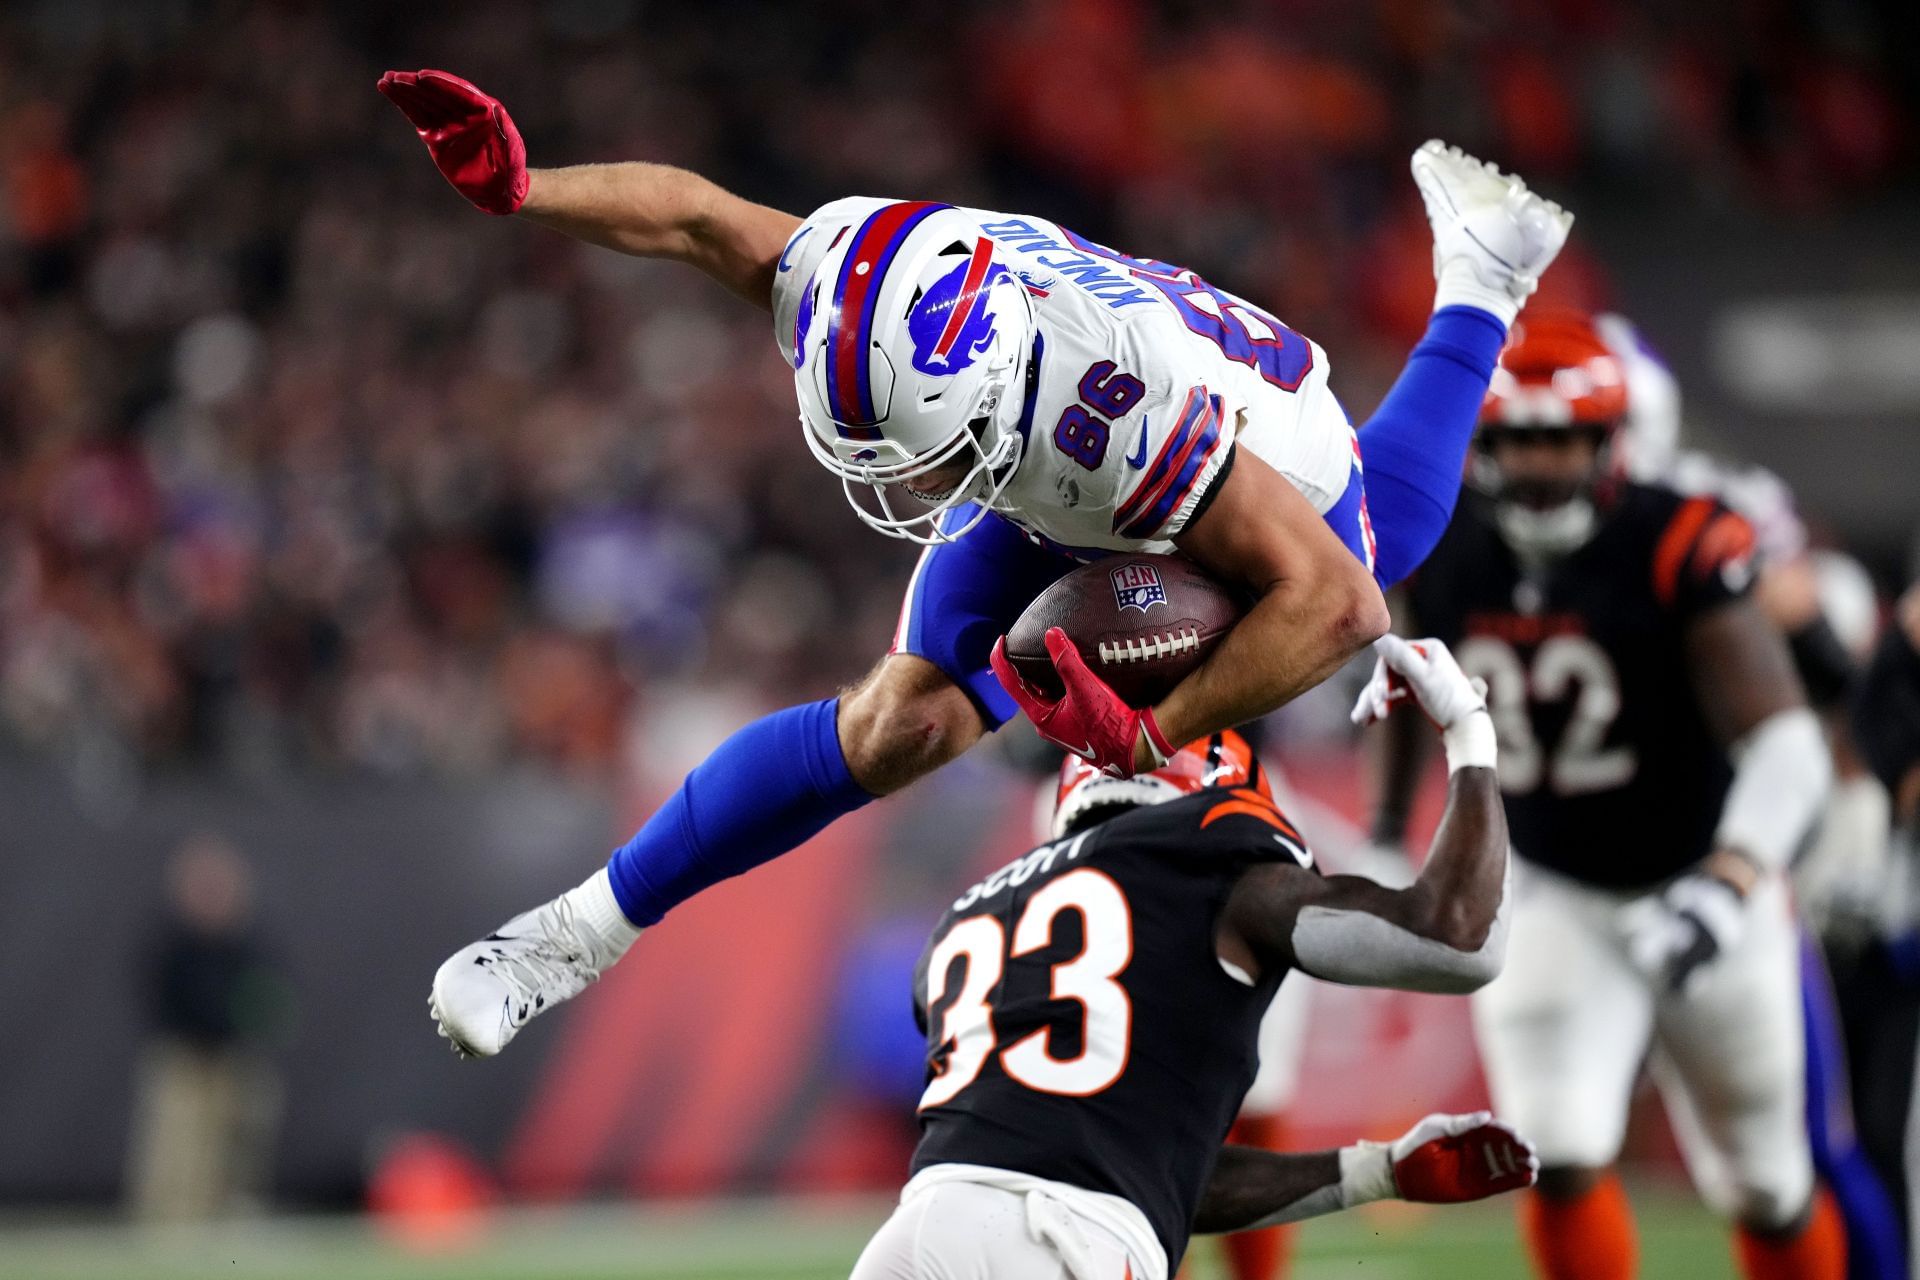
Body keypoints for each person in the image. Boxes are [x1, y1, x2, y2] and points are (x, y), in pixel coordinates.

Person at [376, 70, 1573, 1059]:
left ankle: (1478, 287)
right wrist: (525, 191)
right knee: (900, 728)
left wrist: (1154, 732)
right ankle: (567, 934)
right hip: (1048, 454)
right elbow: (696, 218)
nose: (905, 488)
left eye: (919, 455)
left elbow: (1340, 602)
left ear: (984, 390)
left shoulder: (1112, 414)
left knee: (1379, 545)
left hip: (1243, 429)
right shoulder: (861, 273)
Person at [1371, 311, 1845, 1279]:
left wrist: (1730, 877)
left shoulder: (1676, 537)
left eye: (1563, 439)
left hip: (1698, 879)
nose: (1540, 465)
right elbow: (1404, 675)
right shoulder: (1446, 539)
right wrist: (1386, 832)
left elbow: (1787, 740)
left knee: (1764, 1180)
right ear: (1485, 443)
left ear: (1611, 440)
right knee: (1554, 1148)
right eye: (1517, 440)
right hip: (1552, 884)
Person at [854, 636, 1533, 1279]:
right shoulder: (1213, 860)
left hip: (918, 1232)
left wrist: (1379, 1171)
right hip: (1069, 1247)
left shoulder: (970, 915)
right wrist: (1470, 730)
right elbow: (1460, 938)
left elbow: (1147, 1170)